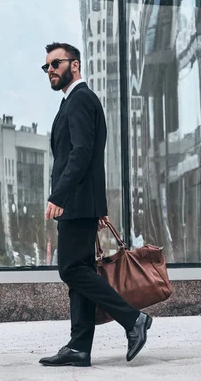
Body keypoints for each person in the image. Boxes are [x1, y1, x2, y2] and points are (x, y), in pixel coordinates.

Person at [39, 42, 152, 367]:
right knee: (81, 271)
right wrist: (99, 206)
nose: (50, 70)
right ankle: (79, 346)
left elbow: (81, 153)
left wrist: (59, 195)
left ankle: (133, 320)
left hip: (73, 203)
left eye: (55, 63)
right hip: (82, 202)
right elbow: (93, 157)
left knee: (71, 269)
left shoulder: (79, 99)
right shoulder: (75, 101)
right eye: (46, 66)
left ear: (74, 65)